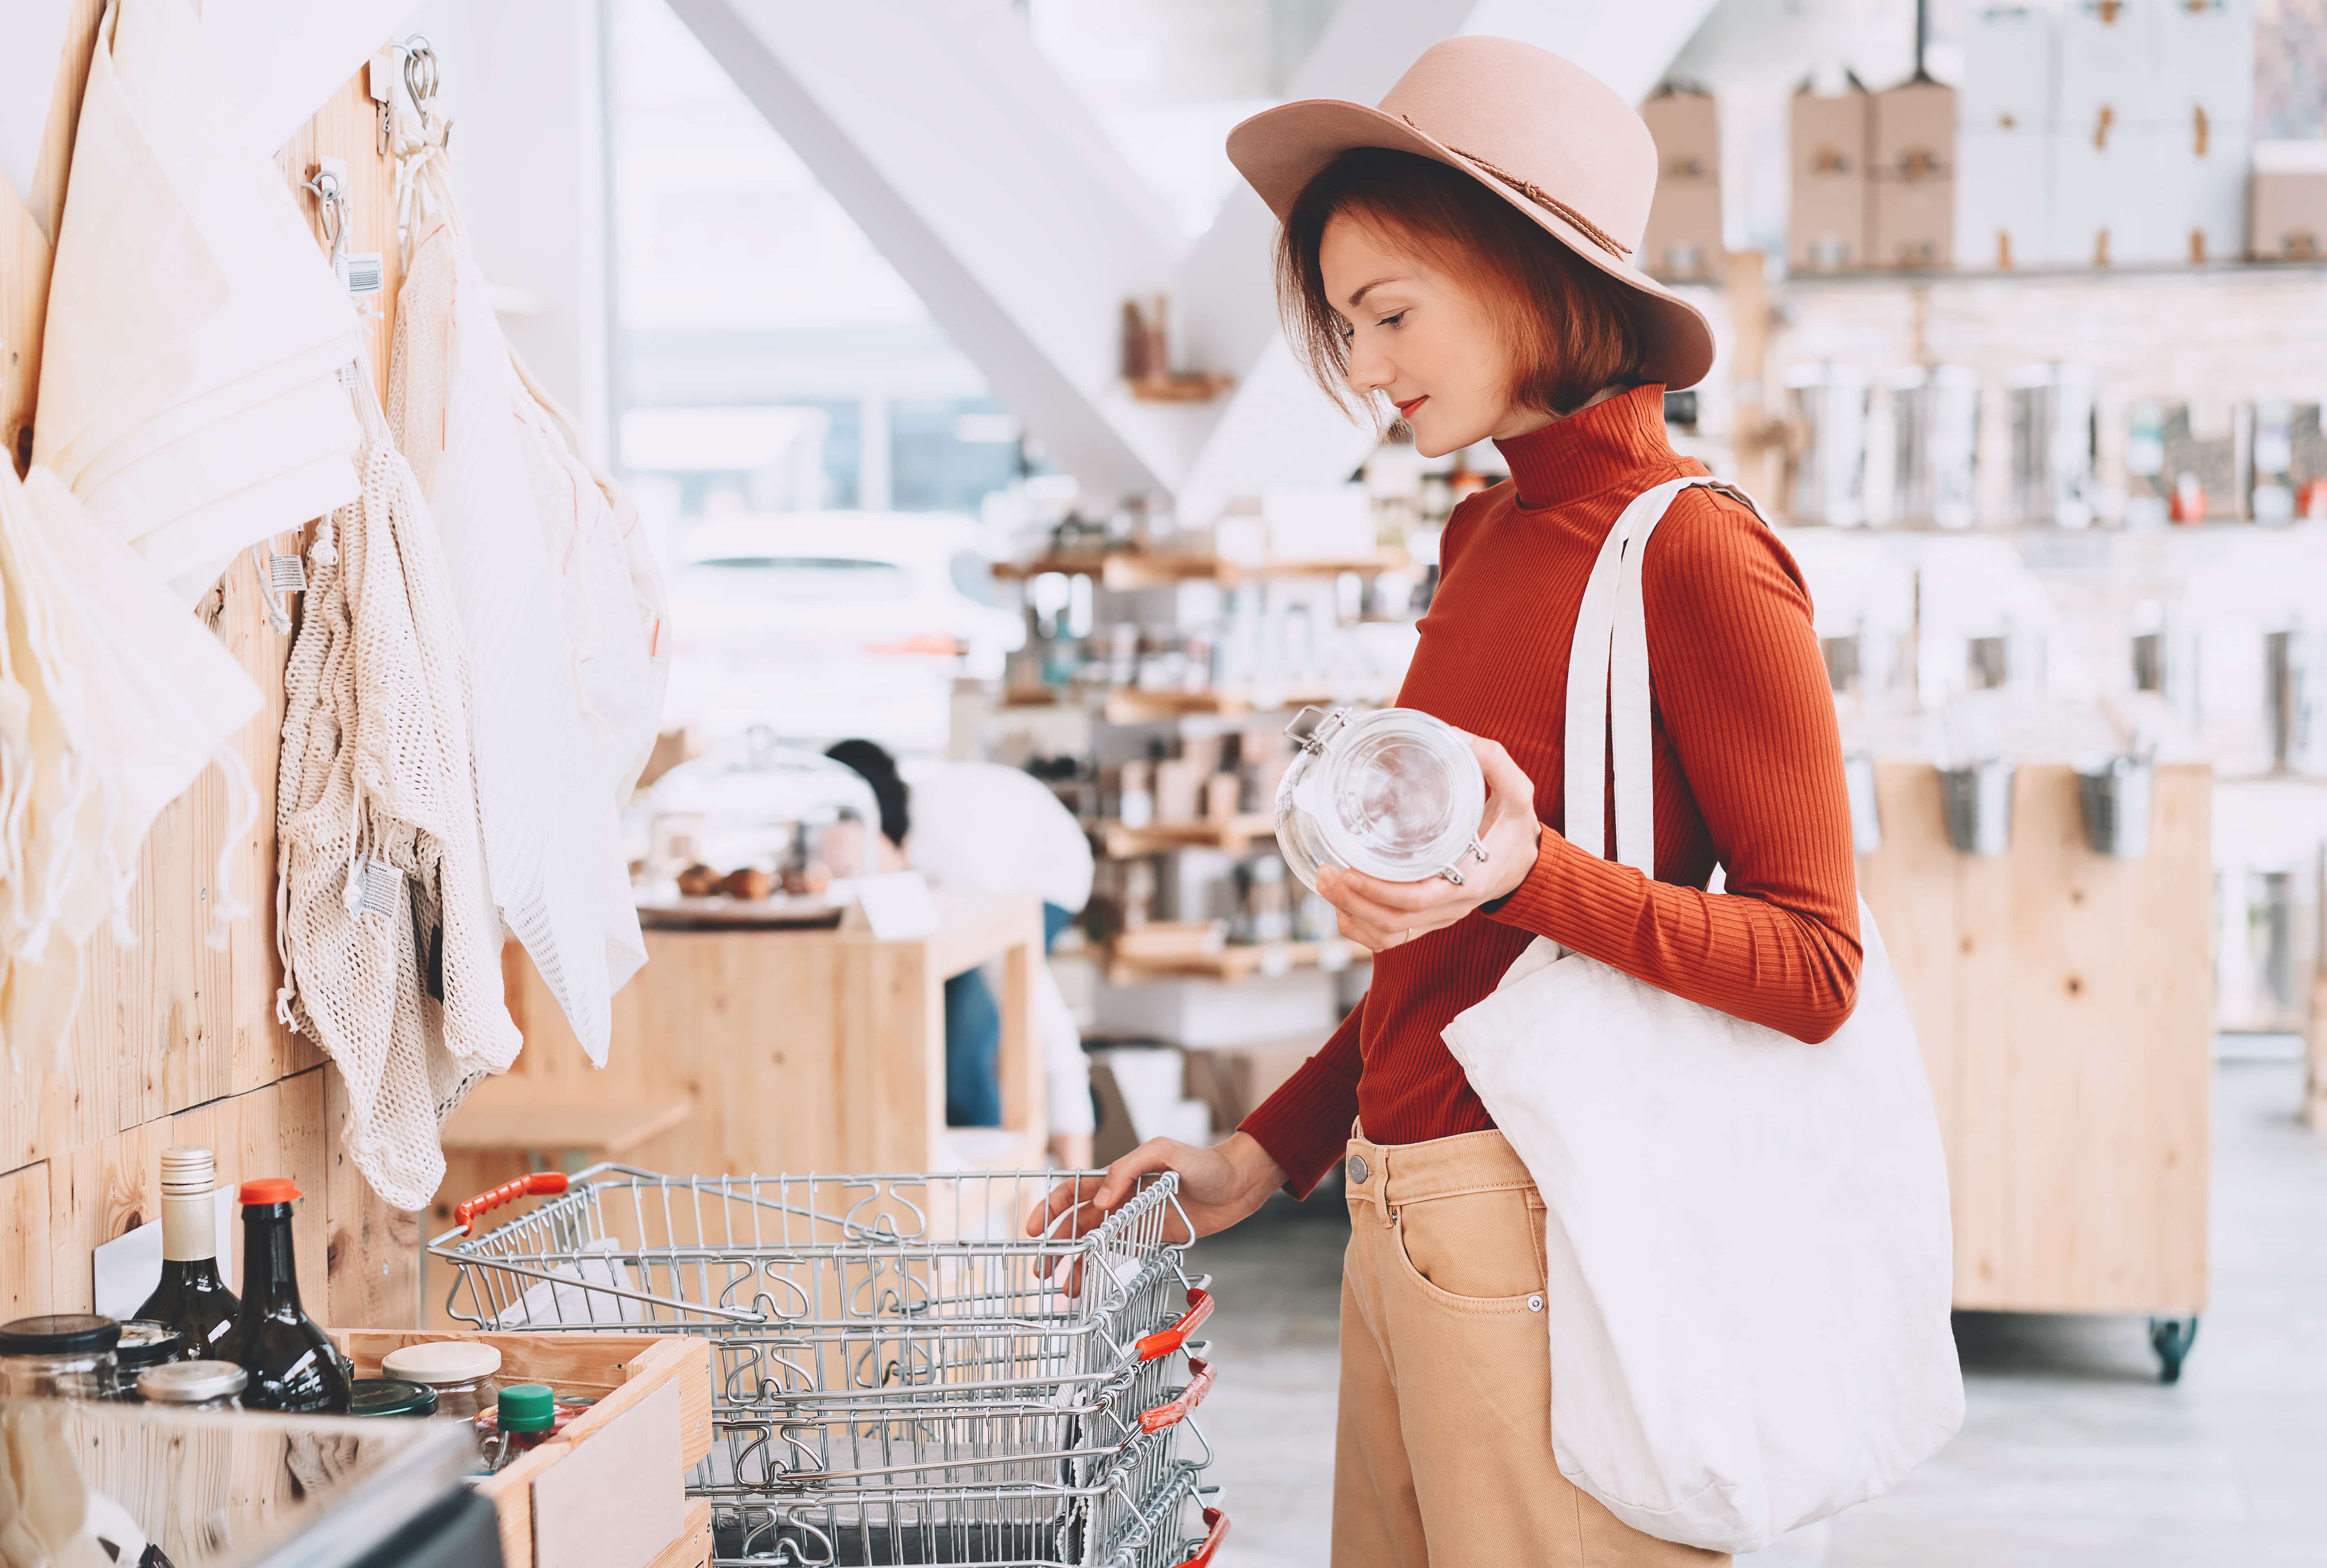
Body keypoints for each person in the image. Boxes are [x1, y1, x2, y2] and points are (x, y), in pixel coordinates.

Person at [1030, 38, 1860, 1568]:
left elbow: (1813, 966)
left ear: (1528, 273)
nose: (1361, 366)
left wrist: (1525, 869)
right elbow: (1461, 955)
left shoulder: (1695, 552)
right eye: (1346, 325)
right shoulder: (1482, 534)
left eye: (1389, 313)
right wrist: (1260, 1153)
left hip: (1548, 1217)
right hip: (1400, 1206)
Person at [825, 740, 1097, 1168]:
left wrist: (1084, 1182)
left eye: (854, 867)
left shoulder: (960, 864)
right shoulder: (885, 841)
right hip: (965, 866)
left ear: (887, 840)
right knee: (937, 1040)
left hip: (1047, 872)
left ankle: (1001, 1186)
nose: (852, 880)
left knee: (965, 1045)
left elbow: (1050, 1030)